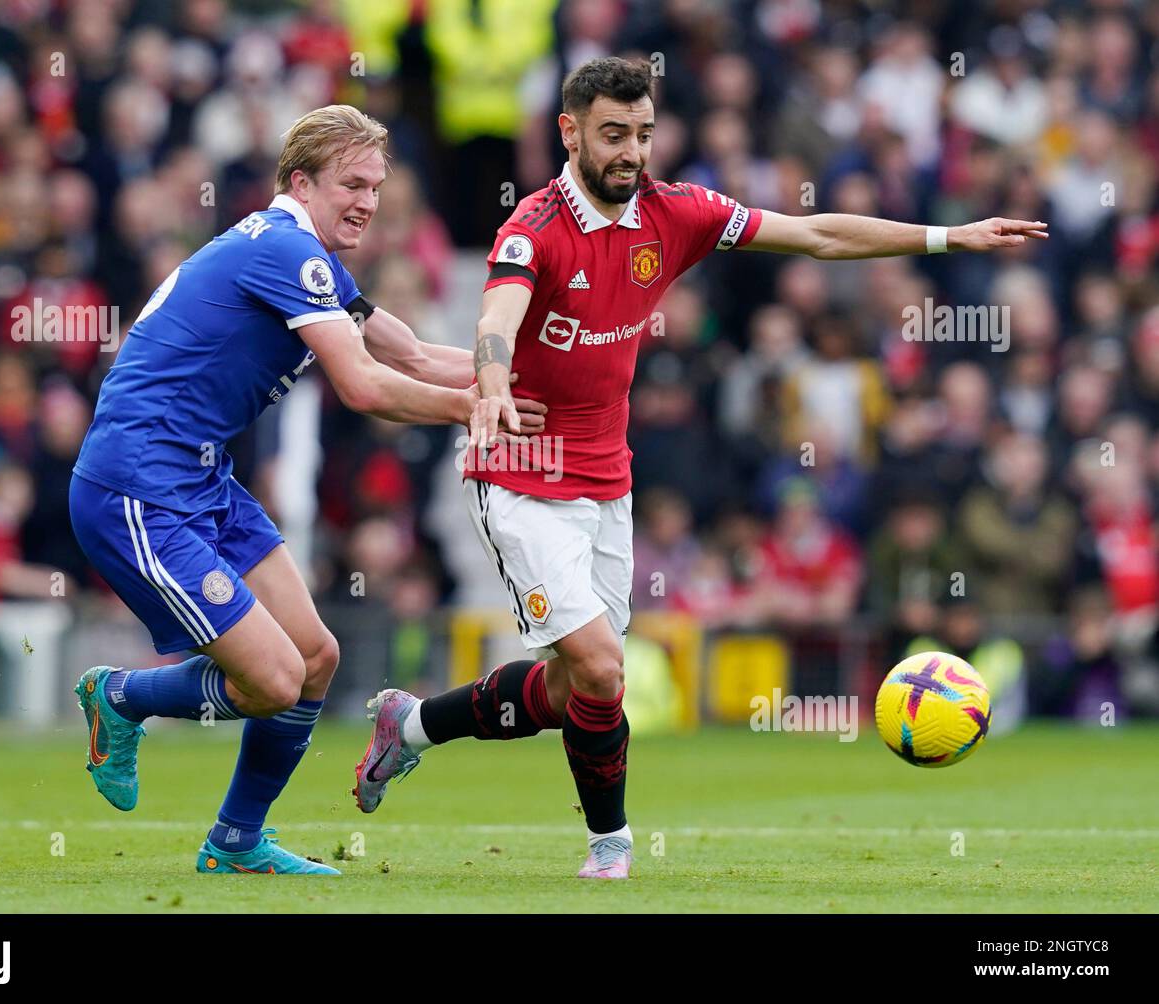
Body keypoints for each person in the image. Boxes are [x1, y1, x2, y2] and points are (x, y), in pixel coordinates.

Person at [353, 56, 1047, 880]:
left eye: (643, 134)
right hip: (519, 471)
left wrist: (947, 236)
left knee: (570, 684)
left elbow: (817, 232)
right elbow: (496, 318)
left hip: (608, 479)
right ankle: (610, 847)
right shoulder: (530, 227)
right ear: (569, 132)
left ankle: (414, 725)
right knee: (603, 671)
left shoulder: (675, 214)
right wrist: (493, 384)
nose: (631, 152)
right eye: (613, 135)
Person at [67, 105, 544, 876]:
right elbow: (361, 386)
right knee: (274, 680)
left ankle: (235, 842)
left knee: (314, 658)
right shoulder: (290, 253)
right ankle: (121, 697)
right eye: (352, 184)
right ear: (300, 182)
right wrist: (478, 406)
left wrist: (527, 371)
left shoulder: (306, 258)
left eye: (377, 188)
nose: (367, 201)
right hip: (138, 485)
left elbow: (418, 355)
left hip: (199, 478)